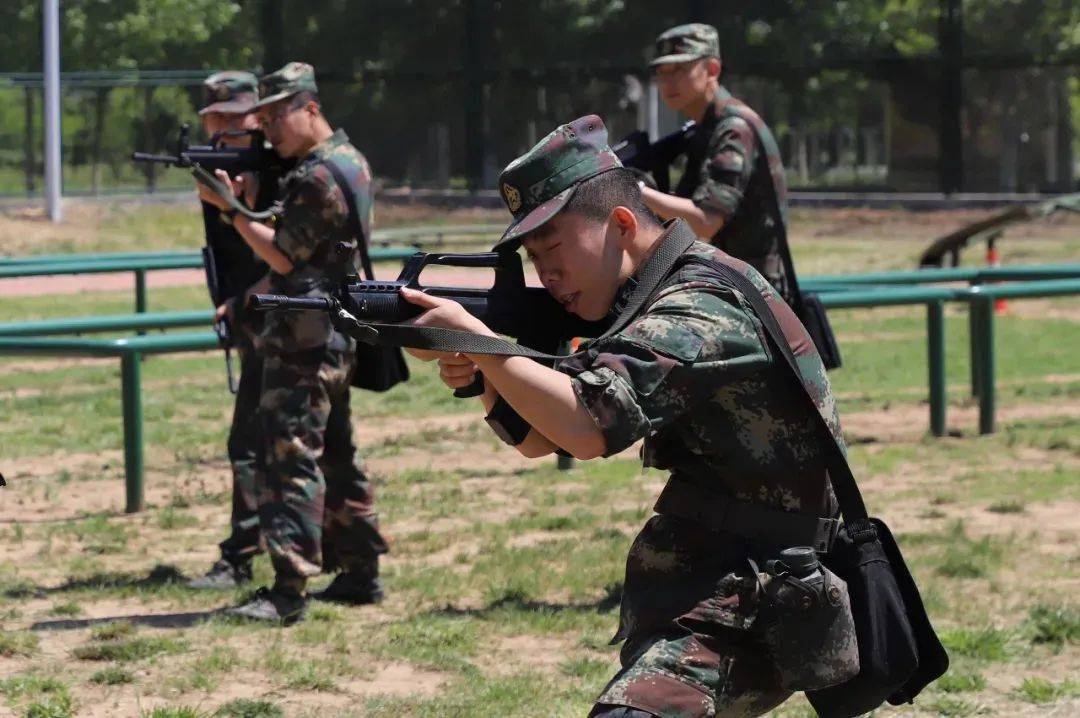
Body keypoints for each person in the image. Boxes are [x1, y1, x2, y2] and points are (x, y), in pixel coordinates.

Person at [399, 115, 848, 717]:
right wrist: (485, 374)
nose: (546, 275)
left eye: (553, 247)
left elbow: (587, 429)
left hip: (758, 592)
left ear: (620, 223)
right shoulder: (653, 294)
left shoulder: (701, 306)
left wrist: (483, 345)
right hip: (711, 582)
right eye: (533, 258)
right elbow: (541, 439)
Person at [197, 62, 387, 623]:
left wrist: (230, 209)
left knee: (289, 453)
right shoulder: (345, 163)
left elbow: (283, 254)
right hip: (330, 329)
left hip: (306, 336)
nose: (269, 128)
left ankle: (289, 588)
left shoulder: (319, 175)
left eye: (277, 115)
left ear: (309, 108)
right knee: (336, 450)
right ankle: (358, 570)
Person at [187, 71, 273, 590]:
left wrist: (241, 204)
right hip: (250, 312)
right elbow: (221, 248)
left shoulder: (285, 166)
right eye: (213, 119)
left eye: (231, 117)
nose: (220, 128)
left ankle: (243, 554)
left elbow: (293, 250)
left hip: (280, 308)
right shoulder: (215, 168)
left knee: (253, 442)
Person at [639, 23, 795, 306]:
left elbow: (704, 222)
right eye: (662, 73)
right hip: (734, 283)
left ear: (712, 69)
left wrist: (637, 193)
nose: (668, 82)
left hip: (756, 294)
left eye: (680, 69)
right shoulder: (705, 128)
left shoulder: (733, 129)